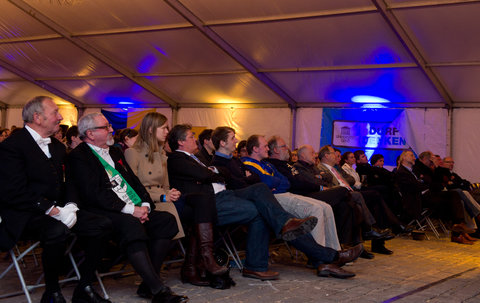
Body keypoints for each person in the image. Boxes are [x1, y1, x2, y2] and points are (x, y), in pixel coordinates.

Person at [167, 124, 318, 281]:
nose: (195, 140)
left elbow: (222, 175)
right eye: (191, 137)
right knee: (262, 210)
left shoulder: (197, 159)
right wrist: (215, 172)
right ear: (180, 142)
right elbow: (207, 174)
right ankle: (258, 264)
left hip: (224, 195)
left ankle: (285, 227)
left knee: (260, 189)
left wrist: (215, 173)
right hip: (209, 203)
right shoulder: (176, 159)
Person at [0, 96, 112, 303]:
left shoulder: (58, 148)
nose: (60, 117)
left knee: (102, 224)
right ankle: (52, 292)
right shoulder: (12, 146)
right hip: (25, 214)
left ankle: (85, 286)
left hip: (59, 210)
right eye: (55, 113)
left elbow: (68, 183)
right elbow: (13, 191)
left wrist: (70, 205)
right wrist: (52, 210)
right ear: (37, 117)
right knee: (56, 230)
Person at [66, 113, 188, 303]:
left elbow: (134, 181)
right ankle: (158, 290)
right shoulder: (78, 156)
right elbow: (94, 194)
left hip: (131, 206)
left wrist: (145, 204)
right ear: (90, 133)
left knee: (166, 220)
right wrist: (131, 210)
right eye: (106, 127)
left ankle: (148, 283)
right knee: (131, 225)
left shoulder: (114, 151)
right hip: (102, 210)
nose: (111, 130)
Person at [211, 127, 362, 279]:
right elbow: (241, 184)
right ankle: (330, 257)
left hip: (256, 198)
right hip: (239, 201)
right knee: (280, 214)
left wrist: (250, 179)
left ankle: (327, 258)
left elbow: (275, 181)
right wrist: (250, 179)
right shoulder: (218, 162)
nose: (236, 141)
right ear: (222, 143)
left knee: (289, 226)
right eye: (232, 138)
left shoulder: (235, 161)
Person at [125, 112, 228, 286]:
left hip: (165, 200)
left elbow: (164, 185)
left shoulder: (161, 156)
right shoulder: (132, 153)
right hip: (146, 202)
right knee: (182, 216)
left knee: (202, 201)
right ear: (150, 129)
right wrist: (163, 195)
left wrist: (170, 192)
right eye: (164, 128)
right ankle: (191, 267)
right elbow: (132, 188)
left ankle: (201, 260)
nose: (167, 131)